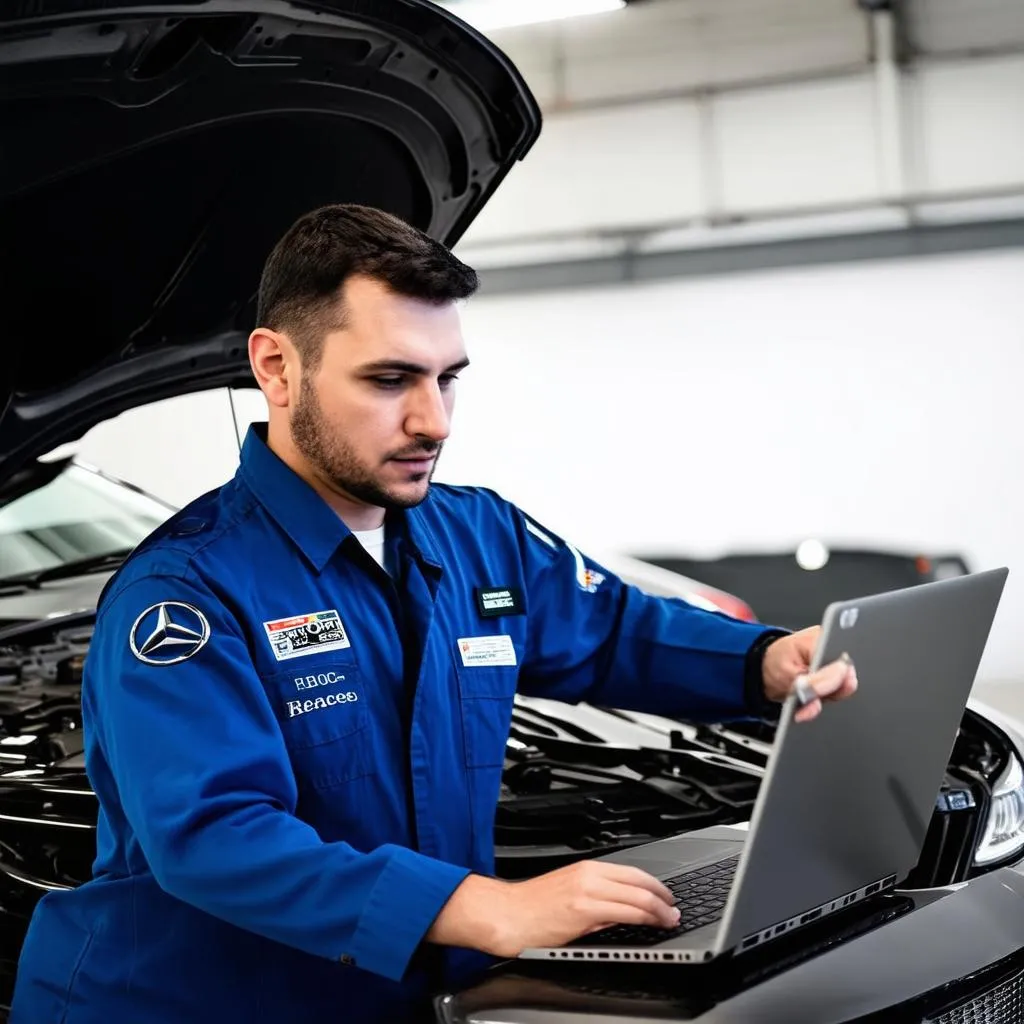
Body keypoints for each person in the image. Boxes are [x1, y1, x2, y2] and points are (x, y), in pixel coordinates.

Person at [10, 205, 856, 1024]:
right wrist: (488, 908)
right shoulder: (186, 596)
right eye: (389, 380)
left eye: (447, 377)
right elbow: (217, 836)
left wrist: (764, 662)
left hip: (412, 997)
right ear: (276, 367)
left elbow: (614, 632)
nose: (434, 421)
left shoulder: (477, 533)